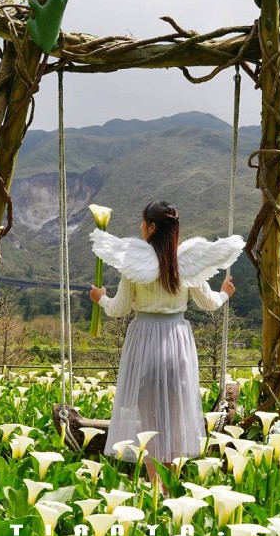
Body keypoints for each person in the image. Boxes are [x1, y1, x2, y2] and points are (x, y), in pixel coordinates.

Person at [89, 200, 242, 494]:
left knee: (149, 420)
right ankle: (171, 485)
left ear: (151, 227)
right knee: (174, 416)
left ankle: (155, 485)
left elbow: (119, 309)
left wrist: (101, 298)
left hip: (144, 341)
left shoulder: (135, 263)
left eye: (142, 222)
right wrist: (223, 295)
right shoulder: (186, 262)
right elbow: (208, 304)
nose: (140, 227)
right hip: (176, 341)